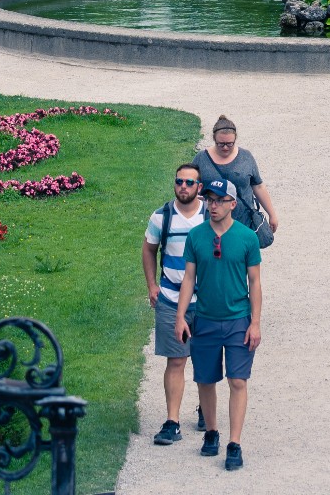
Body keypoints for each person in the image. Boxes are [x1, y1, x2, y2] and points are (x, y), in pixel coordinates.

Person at [175, 176, 263, 473]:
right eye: (209, 200)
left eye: (218, 201)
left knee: (237, 380)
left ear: (232, 204)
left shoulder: (247, 238)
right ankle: (211, 432)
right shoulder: (196, 236)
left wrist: (256, 323)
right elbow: (189, 278)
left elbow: (255, 282)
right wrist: (180, 317)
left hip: (238, 319)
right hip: (206, 319)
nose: (212, 205)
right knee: (205, 379)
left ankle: (234, 443)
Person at [143, 159, 207, 446]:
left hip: (206, 300)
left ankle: (207, 409)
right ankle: (173, 421)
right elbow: (148, 250)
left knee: (207, 359)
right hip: (170, 297)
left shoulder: (210, 214)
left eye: (189, 182)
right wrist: (152, 285)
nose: (183, 186)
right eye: (179, 181)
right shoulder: (161, 217)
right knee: (177, 360)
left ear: (199, 187)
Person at [194, 116, 279, 242]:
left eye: (230, 144)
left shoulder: (246, 157)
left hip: (243, 221)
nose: (225, 148)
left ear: (235, 139)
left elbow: (258, 186)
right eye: (221, 144)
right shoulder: (201, 158)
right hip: (211, 223)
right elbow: (191, 184)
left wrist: (272, 214)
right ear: (213, 139)